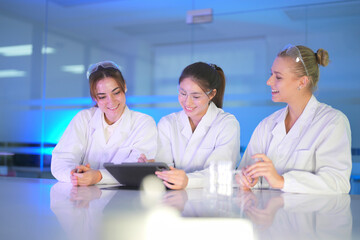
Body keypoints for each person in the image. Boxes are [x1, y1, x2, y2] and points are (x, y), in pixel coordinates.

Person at [237, 44, 352, 194]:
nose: (269, 82)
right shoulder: (267, 125)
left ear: (302, 82)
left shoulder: (332, 122)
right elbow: (242, 173)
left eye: (278, 77)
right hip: (267, 214)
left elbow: (338, 183)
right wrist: (245, 179)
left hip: (310, 216)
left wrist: (282, 181)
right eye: (271, 74)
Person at [51, 61, 157, 186]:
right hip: (83, 199)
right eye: (102, 96)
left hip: (124, 199)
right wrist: (75, 174)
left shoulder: (143, 123)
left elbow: (134, 170)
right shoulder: (84, 118)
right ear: (95, 98)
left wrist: (99, 176)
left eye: (116, 92)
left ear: (125, 87)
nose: (111, 102)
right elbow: (62, 160)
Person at [153, 62, 240, 190]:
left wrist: (188, 181)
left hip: (212, 201)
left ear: (211, 94)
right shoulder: (168, 123)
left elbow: (220, 172)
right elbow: (163, 169)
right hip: (172, 198)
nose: (187, 102)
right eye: (183, 93)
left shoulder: (227, 124)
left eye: (196, 96)